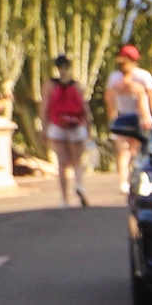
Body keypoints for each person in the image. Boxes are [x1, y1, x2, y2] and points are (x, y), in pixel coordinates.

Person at [41, 55, 91, 207]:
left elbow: (45, 107)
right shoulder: (76, 85)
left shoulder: (50, 85)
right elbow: (84, 107)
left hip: (58, 124)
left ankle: (64, 199)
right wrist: (88, 126)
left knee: (62, 163)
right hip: (76, 124)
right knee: (77, 160)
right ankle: (79, 184)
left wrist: (44, 128)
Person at [104, 43, 152, 181]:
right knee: (135, 151)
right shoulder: (143, 76)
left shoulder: (114, 79)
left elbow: (109, 102)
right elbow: (148, 100)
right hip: (139, 119)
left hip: (121, 117)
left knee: (123, 152)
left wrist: (112, 120)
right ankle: (133, 178)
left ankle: (123, 180)